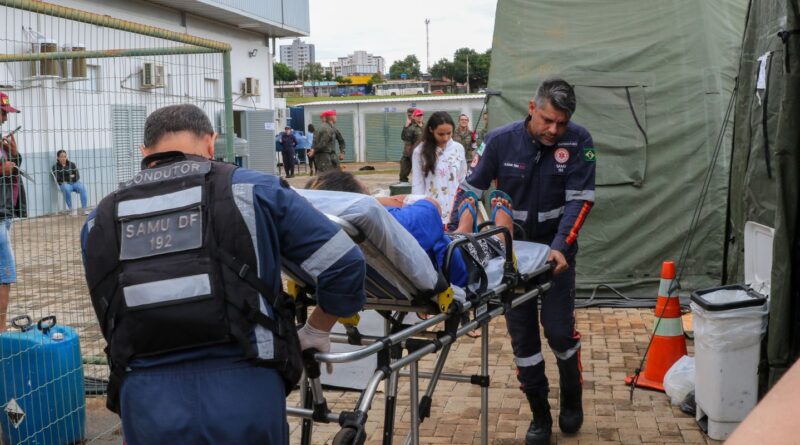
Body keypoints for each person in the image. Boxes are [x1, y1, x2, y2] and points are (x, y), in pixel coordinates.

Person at [81, 104, 366, 444]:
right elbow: (344, 263)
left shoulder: (99, 219)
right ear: (211, 142)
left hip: (146, 400)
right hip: (245, 390)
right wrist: (317, 328)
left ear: (145, 152)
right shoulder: (255, 190)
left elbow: (108, 308)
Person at [450, 79, 595, 445]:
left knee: (559, 330)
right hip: (511, 256)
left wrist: (561, 246)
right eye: (547, 120)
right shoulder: (500, 140)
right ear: (532, 107)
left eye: (561, 123)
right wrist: (454, 235)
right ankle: (540, 414)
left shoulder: (579, 142)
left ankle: (571, 391)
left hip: (554, 255)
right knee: (524, 340)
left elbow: (581, 201)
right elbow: (470, 190)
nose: (553, 130)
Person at [306, 170, 514, 292]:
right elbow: (431, 211)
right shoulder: (375, 221)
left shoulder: (326, 228)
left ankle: (463, 227)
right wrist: (391, 202)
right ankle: (502, 238)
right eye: (369, 195)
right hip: (450, 269)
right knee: (474, 244)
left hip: (381, 281)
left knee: (449, 237)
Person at [411, 111, 467, 225]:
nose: (445, 138)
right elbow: (417, 184)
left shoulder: (458, 148)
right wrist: (419, 210)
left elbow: (462, 179)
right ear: (431, 130)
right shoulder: (420, 152)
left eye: (449, 133)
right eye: (441, 134)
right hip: (431, 209)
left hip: (456, 209)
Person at [0, 92, 24, 333]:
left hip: (5, 212)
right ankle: (1, 330)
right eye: (3, 113)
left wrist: (14, 154)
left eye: (7, 113)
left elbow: (13, 168)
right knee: (5, 273)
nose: (5, 118)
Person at [52, 150, 89, 214]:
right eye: (61, 157)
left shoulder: (72, 164)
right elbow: (58, 178)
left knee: (82, 187)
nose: (63, 158)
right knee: (66, 189)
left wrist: (67, 178)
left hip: (74, 183)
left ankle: (84, 209)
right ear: (58, 158)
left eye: (65, 156)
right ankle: (71, 209)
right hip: (64, 184)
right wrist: (70, 176)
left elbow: (77, 176)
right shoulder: (55, 167)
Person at [399, 108, 424, 183]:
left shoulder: (426, 126)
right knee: (403, 174)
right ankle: (403, 189)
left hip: (423, 154)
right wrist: (406, 127)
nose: (419, 117)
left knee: (421, 173)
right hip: (410, 154)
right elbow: (404, 138)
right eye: (418, 116)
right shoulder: (411, 127)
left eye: (421, 115)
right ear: (414, 117)